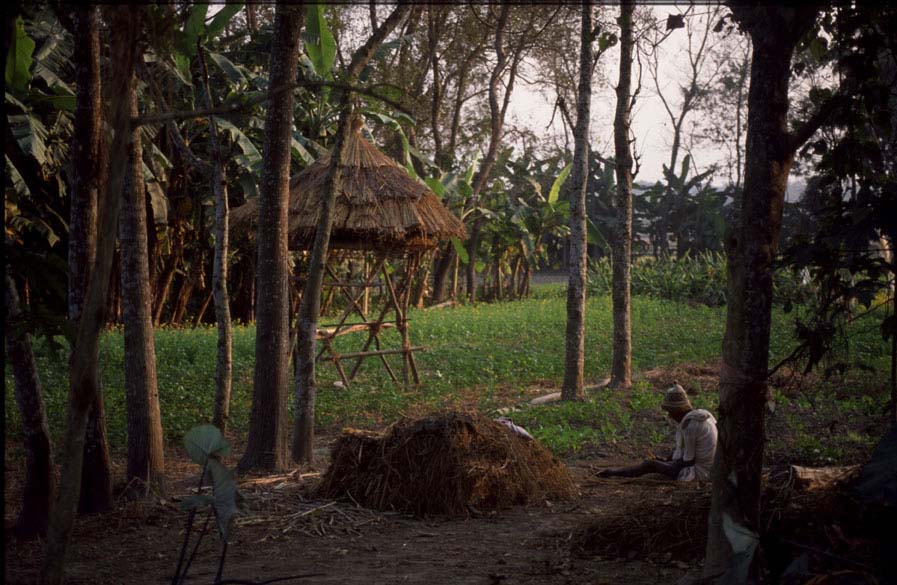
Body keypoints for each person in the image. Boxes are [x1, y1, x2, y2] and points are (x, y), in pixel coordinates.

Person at [597, 383, 718, 481]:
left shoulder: (691, 425)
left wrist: (664, 464)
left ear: (678, 410)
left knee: (649, 465)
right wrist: (667, 461)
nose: (670, 416)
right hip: (711, 468)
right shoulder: (703, 416)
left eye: (671, 412)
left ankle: (614, 473)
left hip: (700, 472)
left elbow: (688, 462)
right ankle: (615, 472)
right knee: (654, 464)